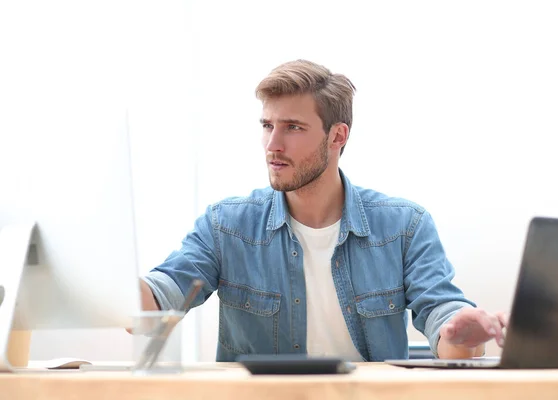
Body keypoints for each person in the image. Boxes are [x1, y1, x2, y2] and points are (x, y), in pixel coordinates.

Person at [139, 59, 507, 362]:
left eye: (292, 128)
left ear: (337, 136)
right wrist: (106, 285)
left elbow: (446, 322)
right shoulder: (226, 226)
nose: (273, 144)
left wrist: (466, 334)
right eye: (267, 126)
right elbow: (157, 299)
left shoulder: (404, 226)